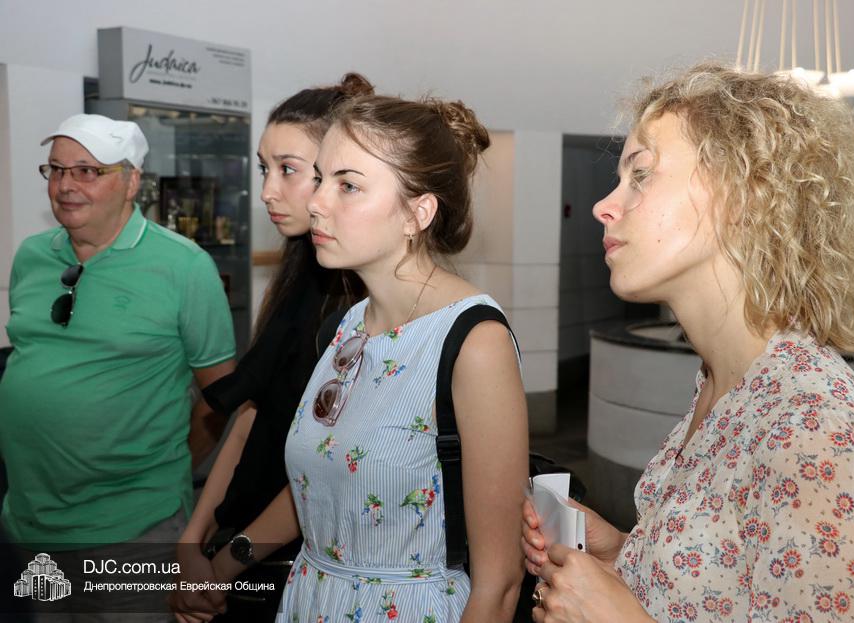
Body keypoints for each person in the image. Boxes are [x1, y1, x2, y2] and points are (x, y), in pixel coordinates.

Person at [522, 63, 854, 622]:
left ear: (742, 195)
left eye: (641, 175)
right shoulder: (724, 385)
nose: (604, 205)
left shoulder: (815, 431)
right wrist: (620, 554)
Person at [204, 94, 529, 622]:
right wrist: (226, 563)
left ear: (418, 213)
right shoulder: (349, 325)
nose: (316, 202)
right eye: (320, 178)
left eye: (348, 185)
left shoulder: (473, 343)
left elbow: (499, 584)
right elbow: (322, 485)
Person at [0, 113, 236, 618]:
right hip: (31, 527)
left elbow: (222, 397)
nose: (66, 185)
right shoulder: (32, 256)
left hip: (134, 531)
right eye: (57, 170)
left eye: (88, 171)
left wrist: (161, 465)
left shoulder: (184, 267)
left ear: (132, 182)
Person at [170, 73, 372, 623]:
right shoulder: (298, 274)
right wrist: (194, 536)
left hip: (296, 559)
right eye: (264, 168)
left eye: (287, 169)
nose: (266, 191)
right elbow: (252, 414)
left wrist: (222, 566)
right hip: (240, 538)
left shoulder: (362, 304)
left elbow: (323, 470)